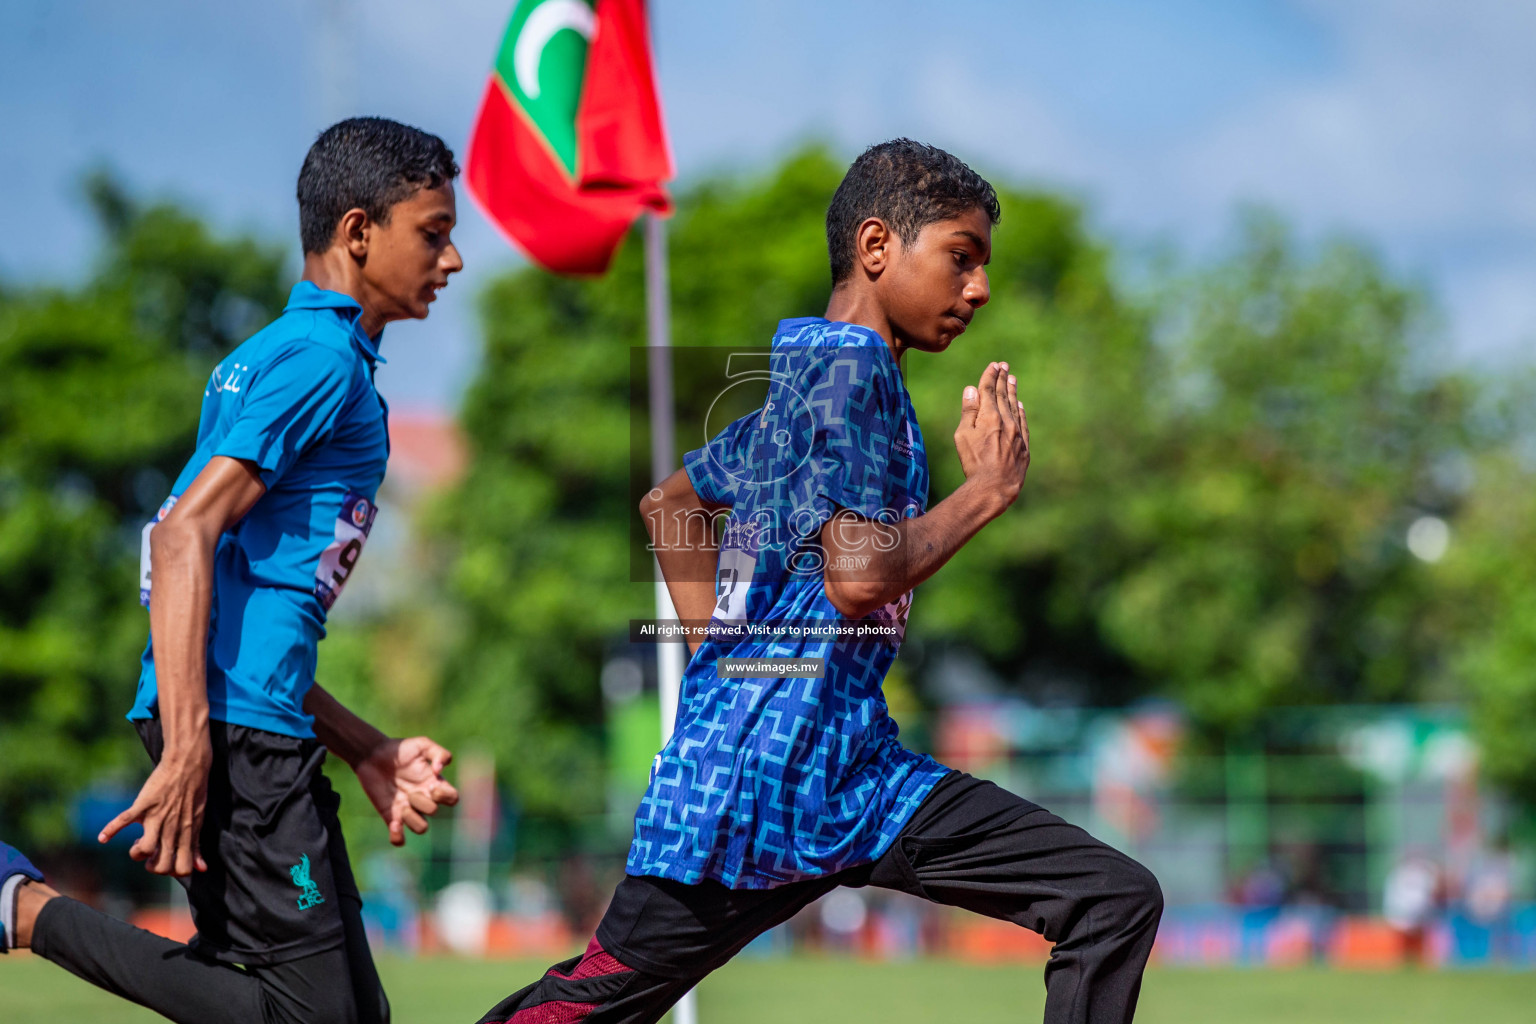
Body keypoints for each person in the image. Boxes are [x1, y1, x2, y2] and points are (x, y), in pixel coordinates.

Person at [478, 139, 1163, 1024]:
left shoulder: (807, 381)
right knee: (574, 1011)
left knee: (1110, 897)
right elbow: (859, 575)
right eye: (962, 256)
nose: (980, 289)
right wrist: (986, 494)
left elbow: (670, 503)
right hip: (758, 792)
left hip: (848, 774)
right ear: (878, 247)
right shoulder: (851, 373)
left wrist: (720, 660)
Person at [0, 116, 464, 1024]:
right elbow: (181, 540)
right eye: (434, 234)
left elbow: (249, 602)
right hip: (232, 738)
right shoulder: (319, 361)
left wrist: (363, 744)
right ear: (359, 231)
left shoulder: (281, 357)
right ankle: (21, 908)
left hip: (250, 722)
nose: (451, 263)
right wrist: (186, 748)